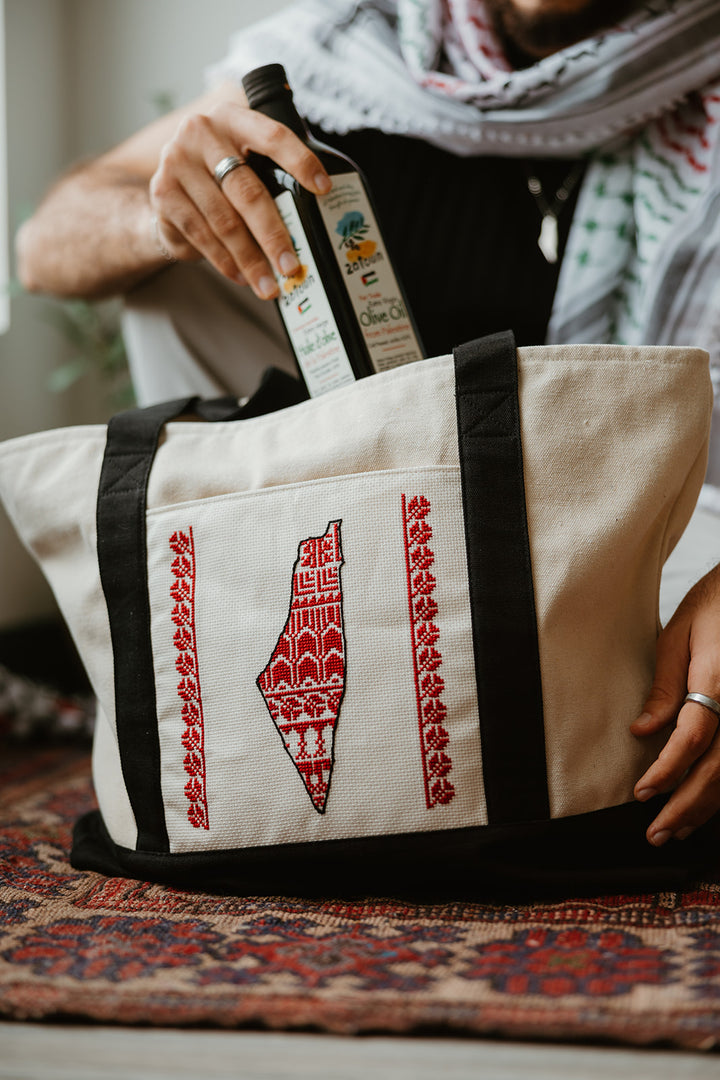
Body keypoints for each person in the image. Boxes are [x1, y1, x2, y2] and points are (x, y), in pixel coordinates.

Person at [15, 0, 720, 852]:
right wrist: (163, 217)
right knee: (172, 262)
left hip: (658, 540)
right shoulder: (349, 55)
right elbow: (45, 243)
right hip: (348, 529)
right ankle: (229, 624)